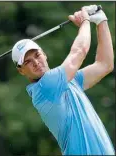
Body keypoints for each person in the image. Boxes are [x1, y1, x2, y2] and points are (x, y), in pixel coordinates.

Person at [11, 5, 115, 155]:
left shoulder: (70, 81)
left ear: (44, 54)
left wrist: (101, 21)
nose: (35, 62)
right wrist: (85, 22)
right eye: (27, 62)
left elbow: (105, 64)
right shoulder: (45, 86)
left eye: (37, 55)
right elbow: (79, 51)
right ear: (21, 70)